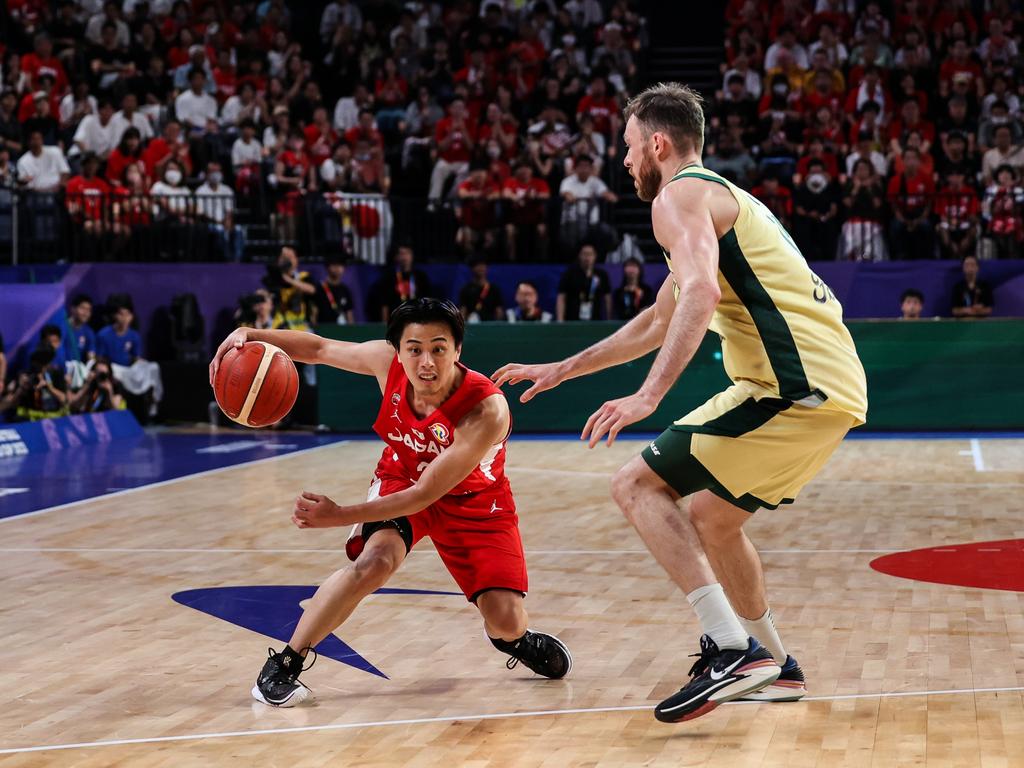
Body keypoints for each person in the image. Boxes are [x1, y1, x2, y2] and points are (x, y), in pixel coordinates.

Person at [493, 83, 868, 722]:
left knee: (635, 485)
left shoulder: (679, 196)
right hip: (818, 385)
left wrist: (647, 397)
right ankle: (776, 668)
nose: (625, 159)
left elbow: (698, 296)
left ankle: (732, 649)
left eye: (629, 146)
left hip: (792, 385)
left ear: (658, 143)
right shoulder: (715, 199)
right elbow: (655, 320)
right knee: (714, 520)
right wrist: (565, 368)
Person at [209, 298, 572, 707]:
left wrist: (338, 515)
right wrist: (251, 335)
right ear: (398, 351)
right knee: (373, 563)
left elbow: (425, 495)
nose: (426, 362)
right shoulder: (386, 363)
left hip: (475, 501)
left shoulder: (486, 409)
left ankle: (514, 640)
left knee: (506, 618)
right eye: (414, 349)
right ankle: (287, 661)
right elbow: (318, 348)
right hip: (402, 475)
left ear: (458, 351)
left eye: (439, 348)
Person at [556, 243, 611, 321]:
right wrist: (560, 319)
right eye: (584, 254)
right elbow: (561, 297)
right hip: (573, 320)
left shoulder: (602, 275)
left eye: (590, 254)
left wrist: (609, 318)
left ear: (595, 256)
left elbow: (607, 298)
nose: (587, 257)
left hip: (595, 321)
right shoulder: (570, 274)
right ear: (579, 255)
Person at [458, 258, 505, 322]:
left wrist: (497, 326)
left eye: (483, 265)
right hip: (471, 326)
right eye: (477, 265)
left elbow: (499, 311)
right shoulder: (466, 289)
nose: (481, 268)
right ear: (472, 268)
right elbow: (463, 311)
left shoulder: (494, 289)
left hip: (490, 326)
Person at [312, 256, 355, 325]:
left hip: (342, 330)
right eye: (334, 265)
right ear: (327, 267)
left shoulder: (345, 289)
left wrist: (352, 330)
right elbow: (314, 311)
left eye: (340, 265)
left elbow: (349, 313)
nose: (337, 268)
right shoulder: (320, 288)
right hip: (323, 329)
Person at [612, 256, 654, 320]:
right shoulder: (618, 292)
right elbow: (616, 312)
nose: (631, 269)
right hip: (622, 325)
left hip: (642, 323)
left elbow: (650, 309)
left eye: (634, 266)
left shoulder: (647, 290)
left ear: (639, 270)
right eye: (628, 266)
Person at [951, 255, 993, 319]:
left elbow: (989, 310)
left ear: (977, 267)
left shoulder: (985, 286)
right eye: (967, 265)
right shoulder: (958, 287)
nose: (970, 267)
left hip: (981, 323)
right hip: (962, 324)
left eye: (972, 265)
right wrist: (966, 310)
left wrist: (979, 310)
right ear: (963, 268)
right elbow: (954, 311)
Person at [65, 293, 96, 362]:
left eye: (89, 310)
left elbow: (91, 356)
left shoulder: (89, 332)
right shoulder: (62, 327)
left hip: (78, 369)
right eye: (82, 308)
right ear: (73, 309)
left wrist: (92, 366)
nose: (86, 313)